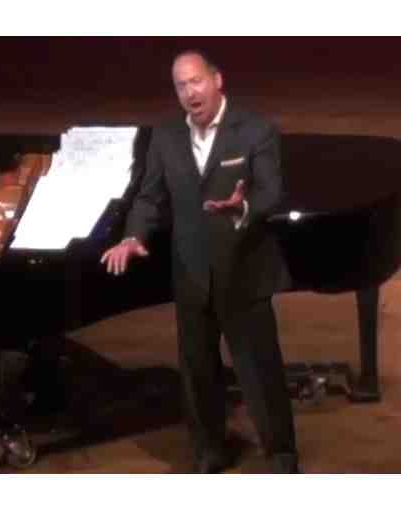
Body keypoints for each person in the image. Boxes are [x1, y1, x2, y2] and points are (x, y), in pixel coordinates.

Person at [101, 51, 300, 473]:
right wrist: (134, 235)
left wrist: (242, 207)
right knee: (197, 372)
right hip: (191, 272)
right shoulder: (166, 135)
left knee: (259, 370)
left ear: (217, 80)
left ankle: (282, 455)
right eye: (181, 85)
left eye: (196, 81)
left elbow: (271, 192)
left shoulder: (256, 130)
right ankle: (209, 452)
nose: (190, 92)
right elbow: (149, 197)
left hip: (244, 271)